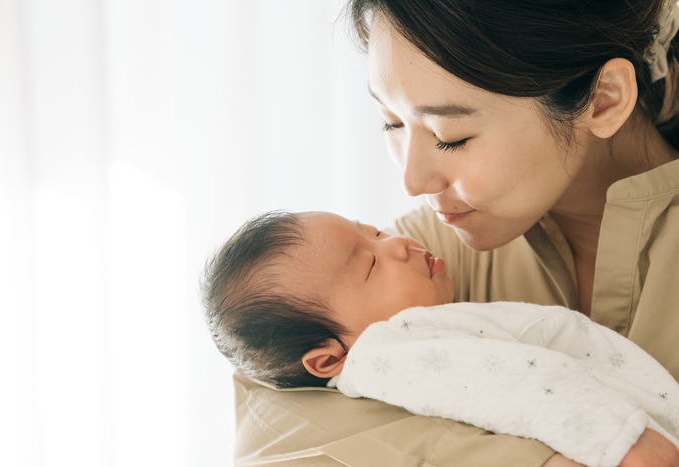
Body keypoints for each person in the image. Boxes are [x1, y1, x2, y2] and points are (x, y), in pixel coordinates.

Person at [231, 0, 679, 465]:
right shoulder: (433, 250)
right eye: (392, 122)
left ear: (603, 98)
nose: (413, 181)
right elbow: (273, 419)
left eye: (450, 135)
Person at [201, 209, 679, 467]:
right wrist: (622, 444)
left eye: (374, 232)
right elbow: (527, 385)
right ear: (328, 360)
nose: (397, 244)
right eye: (370, 264)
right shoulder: (391, 351)